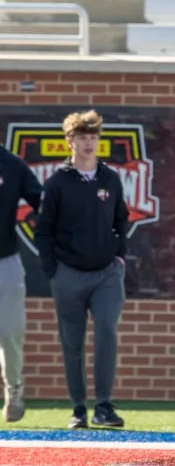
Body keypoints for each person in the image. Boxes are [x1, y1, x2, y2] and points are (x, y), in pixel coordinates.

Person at [34, 110, 129, 429]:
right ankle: (79, 408)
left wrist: (120, 257)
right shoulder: (58, 182)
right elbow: (43, 229)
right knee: (72, 343)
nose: (89, 143)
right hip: (68, 274)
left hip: (106, 274)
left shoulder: (110, 178)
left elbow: (122, 220)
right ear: (69, 142)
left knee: (106, 330)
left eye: (93, 138)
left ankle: (104, 405)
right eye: (82, 138)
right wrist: (53, 269)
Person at [0, 146, 42, 422]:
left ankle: (13, 386)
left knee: (10, 330)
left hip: (5, 258)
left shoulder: (11, 164)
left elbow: (43, 202)